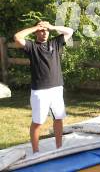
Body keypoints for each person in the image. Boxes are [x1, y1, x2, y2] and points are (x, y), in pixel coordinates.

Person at [14, 21, 74, 154]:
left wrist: (52, 27)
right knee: (38, 122)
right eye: (41, 30)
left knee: (58, 118)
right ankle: (36, 152)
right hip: (40, 91)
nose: (44, 32)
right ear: (36, 32)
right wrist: (35, 27)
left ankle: (59, 148)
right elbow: (17, 37)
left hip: (57, 88)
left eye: (46, 30)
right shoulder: (31, 46)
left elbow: (70, 31)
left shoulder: (55, 43)